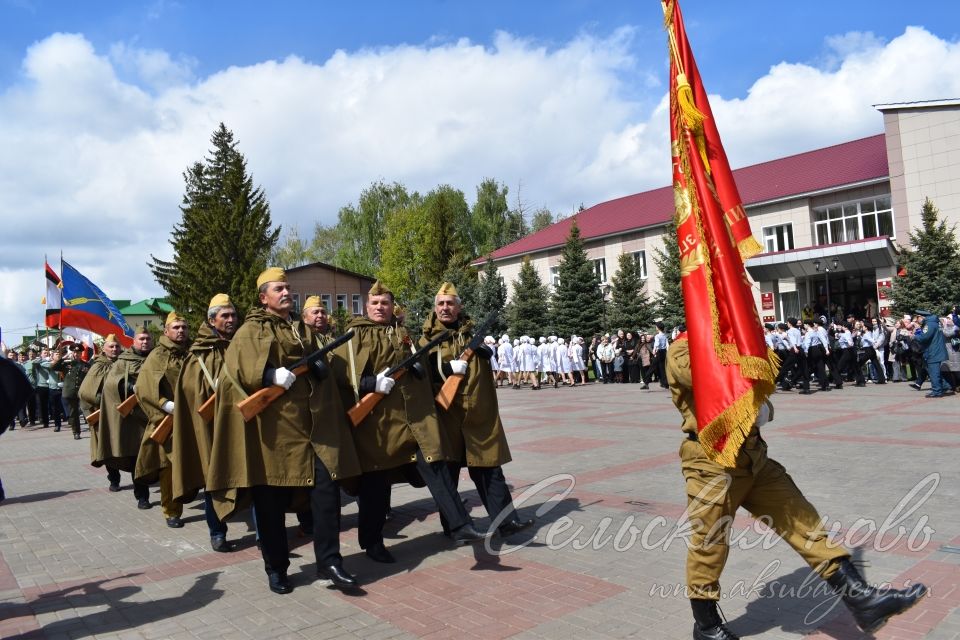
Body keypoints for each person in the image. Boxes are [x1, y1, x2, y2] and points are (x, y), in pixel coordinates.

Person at [666, 333, 927, 639]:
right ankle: (707, 625)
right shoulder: (682, 348)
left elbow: (763, 401)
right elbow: (702, 376)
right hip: (711, 462)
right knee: (710, 543)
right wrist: (740, 356)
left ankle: (861, 599)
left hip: (754, 456)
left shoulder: (733, 341)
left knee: (804, 522)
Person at [206, 268, 363, 594]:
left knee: (325, 497)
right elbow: (236, 372)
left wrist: (320, 367)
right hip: (271, 437)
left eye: (288, 288)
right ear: (264, 297)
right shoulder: (250, 330)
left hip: (311, 432)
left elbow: (315, 364)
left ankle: (330, 563)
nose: (286, 292)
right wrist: (268, 375)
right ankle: (276, 568)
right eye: (279, 288)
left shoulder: (300, 329)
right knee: (270, 507)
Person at [332, 280, 488, 564]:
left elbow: (420, 365)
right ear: (367, 307)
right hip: (377, 425)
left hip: (412, 420)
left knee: (435, 466)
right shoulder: (356, 335)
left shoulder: (403, 333)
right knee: (375, 486)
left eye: (385, 303)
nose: (380, 308)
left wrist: (424, 368)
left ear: (393, 307)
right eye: (375, 304)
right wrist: (370, 382)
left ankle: (460, 524)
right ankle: (372, 541)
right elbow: (341, 375)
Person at [421, 282, 534, 538]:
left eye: (450, 303)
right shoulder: (426, 339)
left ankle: (506, 521)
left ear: (459, 307)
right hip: (445, 416)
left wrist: (482, 350)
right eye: (441, 303)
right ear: (435, 308)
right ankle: (453, 527)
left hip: (476, 415)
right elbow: (423, 377)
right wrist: (447, 370)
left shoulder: (470, 334)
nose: (445, 308)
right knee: (447, 474)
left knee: (489, 468)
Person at [170, 294, 238, 552]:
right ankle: (217, 531)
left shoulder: (242, 344)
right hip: (212, 426)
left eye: (233, 315)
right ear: (212, 320)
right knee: (215, 476)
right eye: (225, 316)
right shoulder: (198, 355)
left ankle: (263, 536)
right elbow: (190, 389)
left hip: (245, 420)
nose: (231, 320)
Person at [135, 311, 190, 528]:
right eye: (176, 327)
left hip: (196, 416)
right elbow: (144, 387)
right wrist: (166, 404)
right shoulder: (157, 355)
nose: (180, 331)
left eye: (184, 327)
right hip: (170, 419)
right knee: (169, 467)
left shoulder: (193, 351)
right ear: (166, 331)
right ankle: (171, 510)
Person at [92, 329, 152, 507]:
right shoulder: (123, 362)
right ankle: (142, 495)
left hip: (157, 413)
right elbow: (110, 384)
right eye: (141, 338)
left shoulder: (157, 357)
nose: (145, 342)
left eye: (148, 338)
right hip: (135, 418)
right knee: (137, 458)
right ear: (134, 341)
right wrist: (131, 385)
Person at [79, 334, 123, 489]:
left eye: (117, 346)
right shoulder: (98, 366)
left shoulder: (126, 363)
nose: (114, 349)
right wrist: (104, 400)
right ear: (104, 349)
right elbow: (85, 392)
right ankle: (114, 478)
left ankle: (140, 488)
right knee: (108, 446)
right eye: (111, 346)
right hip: (104, 413)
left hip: (125, 412)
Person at [53, 343, 90, 439]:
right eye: (74, 352)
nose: (76, 354)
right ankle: (76, 432)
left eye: (78, 352)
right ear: (72, 353)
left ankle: (93, 428)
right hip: (71, 391)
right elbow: (53, 367)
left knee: (87, 410)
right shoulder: (66, 363)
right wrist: (63, 358)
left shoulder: (86, 365)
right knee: (74, 413)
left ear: (81, 353)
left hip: (83, 391)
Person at [912, 310, 952, 398]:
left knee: (934, 373)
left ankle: (937, 391)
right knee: (935, 371)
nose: (917, 320)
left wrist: (914, 336)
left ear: (922, 317)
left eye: (918, 318)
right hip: (936, 350)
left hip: (933, 351)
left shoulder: (929, 324)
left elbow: (924, 337)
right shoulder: (935, 322)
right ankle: (945, 387)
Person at [652, 323, 669, 388]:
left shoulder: (657, 336)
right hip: (664, 352)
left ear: (658, 328)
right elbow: (667, 344)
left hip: (659, 351)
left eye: (656, 327)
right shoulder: (665, 335)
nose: (655, 328)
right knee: (663, 368)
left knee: (657, 367)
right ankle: (665, 383)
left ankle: (663, 382)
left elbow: (657, 343)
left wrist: (654, 350)